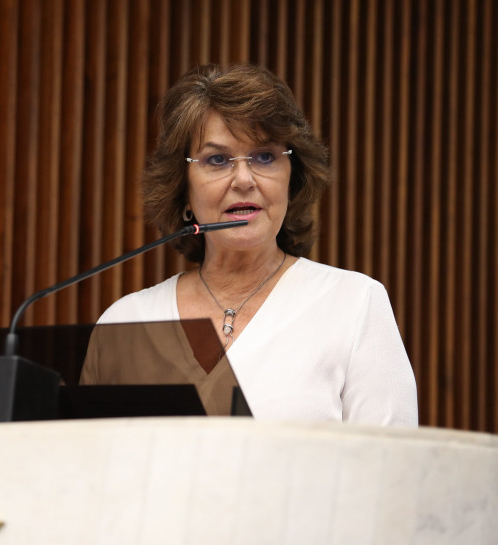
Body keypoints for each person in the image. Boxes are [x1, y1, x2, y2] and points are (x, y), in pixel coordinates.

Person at [81, 63, 418, 426]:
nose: (244, 179)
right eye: (217, 160)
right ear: (183, 188)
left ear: (292, 177)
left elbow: (393, 472)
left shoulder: (353, 304)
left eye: (265, 157)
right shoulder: (125, 322)